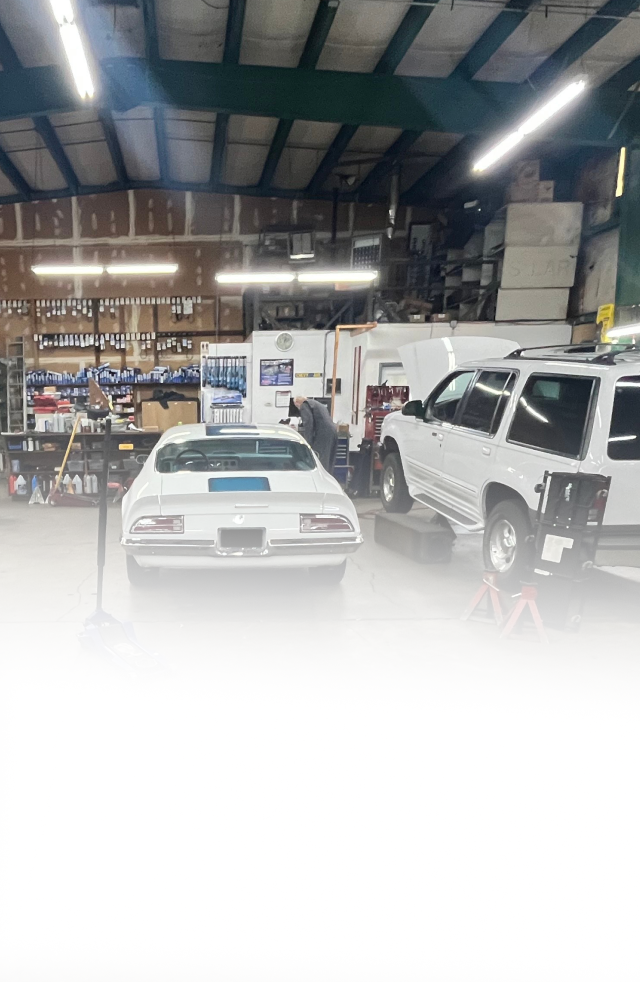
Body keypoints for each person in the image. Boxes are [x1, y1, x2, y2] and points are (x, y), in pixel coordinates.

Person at [293, 396, 338, 472]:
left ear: (297, 403)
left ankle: (320, 480)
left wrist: (307, 444)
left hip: (323, 434)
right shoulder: (317, 404)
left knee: (319, 459)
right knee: (328, 460)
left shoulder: (305, 405)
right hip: (332, 432)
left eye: (296, 406)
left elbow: (308, 424)